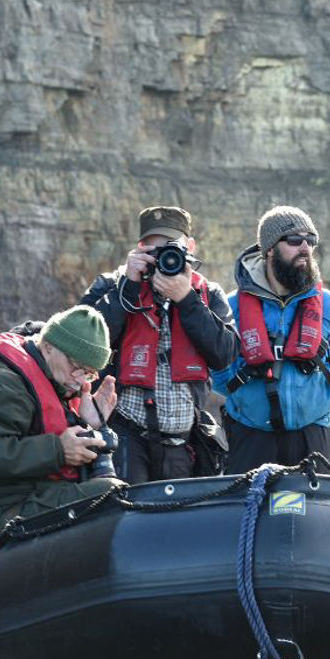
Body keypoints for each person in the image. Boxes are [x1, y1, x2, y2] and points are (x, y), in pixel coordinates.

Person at [80, 205, 237, 483]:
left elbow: (225, 354)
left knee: (175, 524)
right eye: (153, 251)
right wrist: (127, 288)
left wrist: (186, 299)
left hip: (182, 442)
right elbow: (83, 345)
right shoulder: (111, 285)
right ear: (139, 249)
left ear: (189, 246)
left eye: (171, 248)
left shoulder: (208, 294)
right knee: (126, 519)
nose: (163, 258)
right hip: (126, 436)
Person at [0, 305, 124, 554]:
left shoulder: (59, 381)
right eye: (75, 365)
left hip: (40, 493)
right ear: (49, 346)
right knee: (108, 493)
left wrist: (90, 425)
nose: (78, 378)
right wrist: (59, 450)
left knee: (125, 487)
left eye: (88, 373)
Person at [214, 205, 330, 473]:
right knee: (248, 513)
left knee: (317, 514)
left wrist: (329, 389)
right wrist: (234, 391)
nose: (305, 247)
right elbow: (213, 355)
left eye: (310, 240)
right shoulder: (231, 307)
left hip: (312, 434)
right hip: (250, 435)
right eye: (293, 240)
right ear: (269, 249)